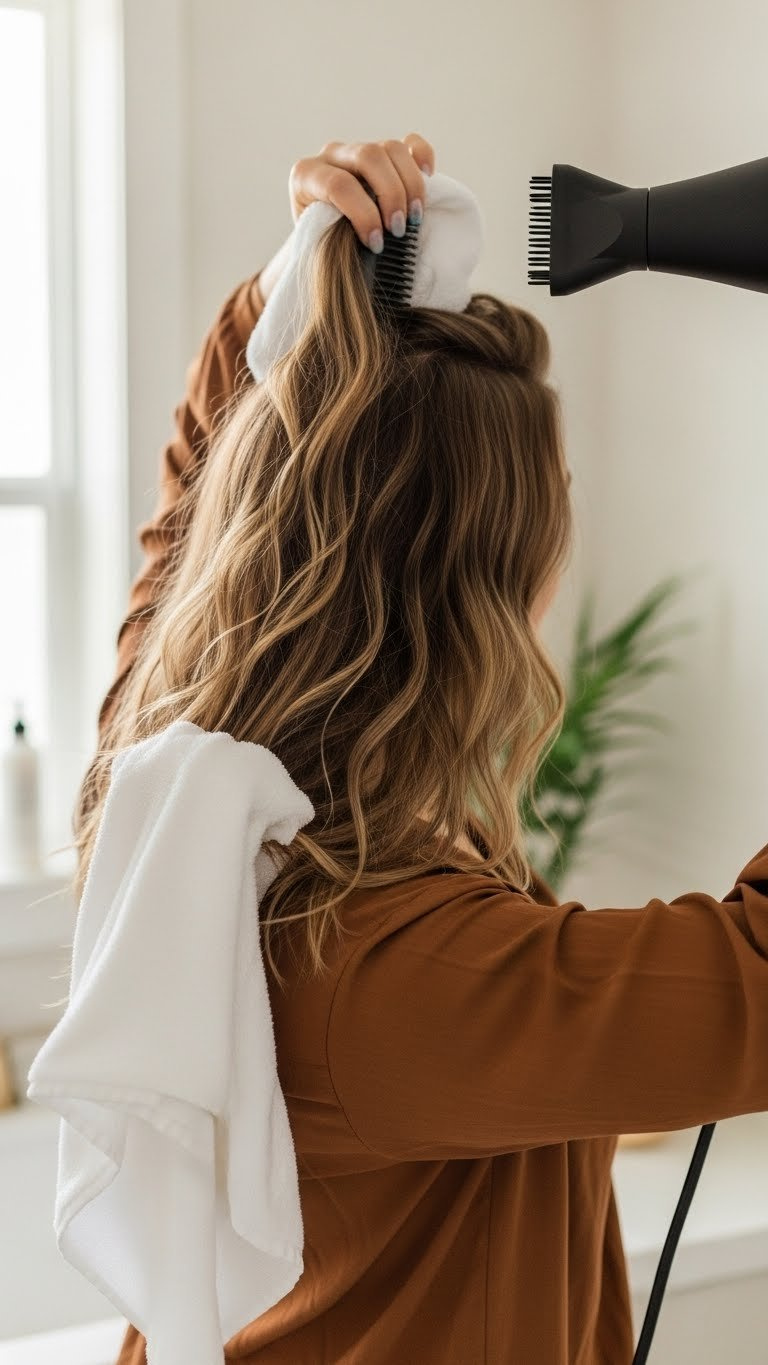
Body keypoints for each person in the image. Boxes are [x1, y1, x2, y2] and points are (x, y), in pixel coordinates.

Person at [74, 136, 768, 1365]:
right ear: (483, 595)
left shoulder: (168, 799)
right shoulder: (398, 969)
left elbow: (192, 523)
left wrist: (300, 283)